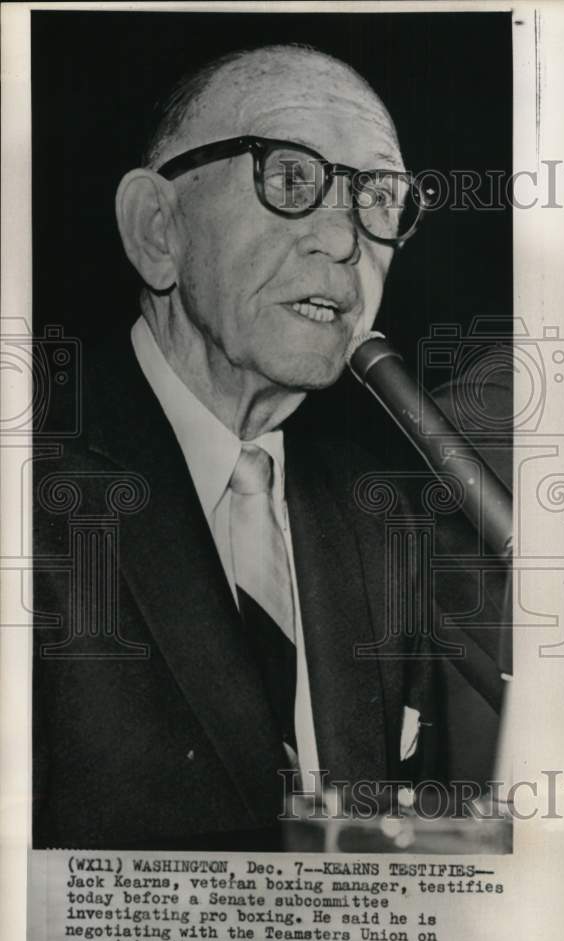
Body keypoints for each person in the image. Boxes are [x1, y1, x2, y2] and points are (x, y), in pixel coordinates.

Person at [33, 44, 507, 850]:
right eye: (292, 179)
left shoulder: (395, 512)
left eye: (379, 198)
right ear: (158, 230)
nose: (346, 242)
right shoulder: (30, 492)